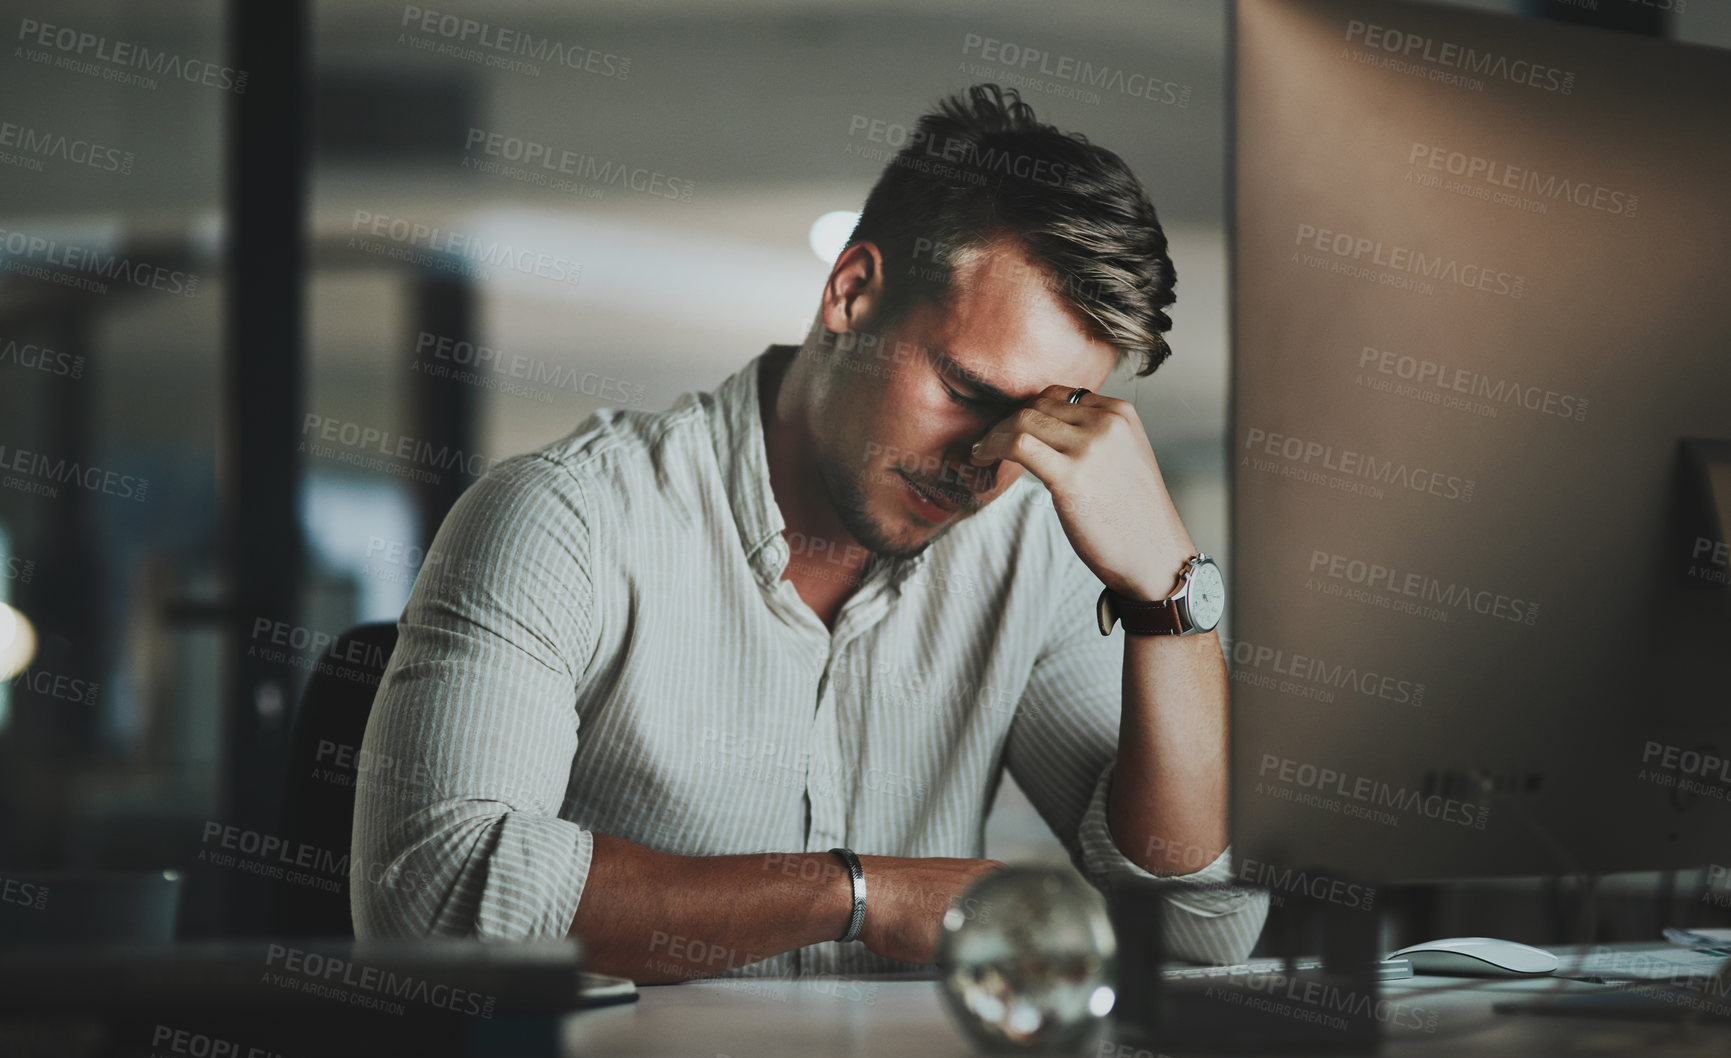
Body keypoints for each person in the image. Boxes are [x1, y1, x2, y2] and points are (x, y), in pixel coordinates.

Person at [352, 84, 1268, 981]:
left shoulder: (1029, 547)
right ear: (853, 293)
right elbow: (429, 898)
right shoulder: (562, 519)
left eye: (1035, 426)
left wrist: (1166, 596)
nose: (984, 460)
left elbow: (1201, 927)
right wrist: (859, 894)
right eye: (968, 393)